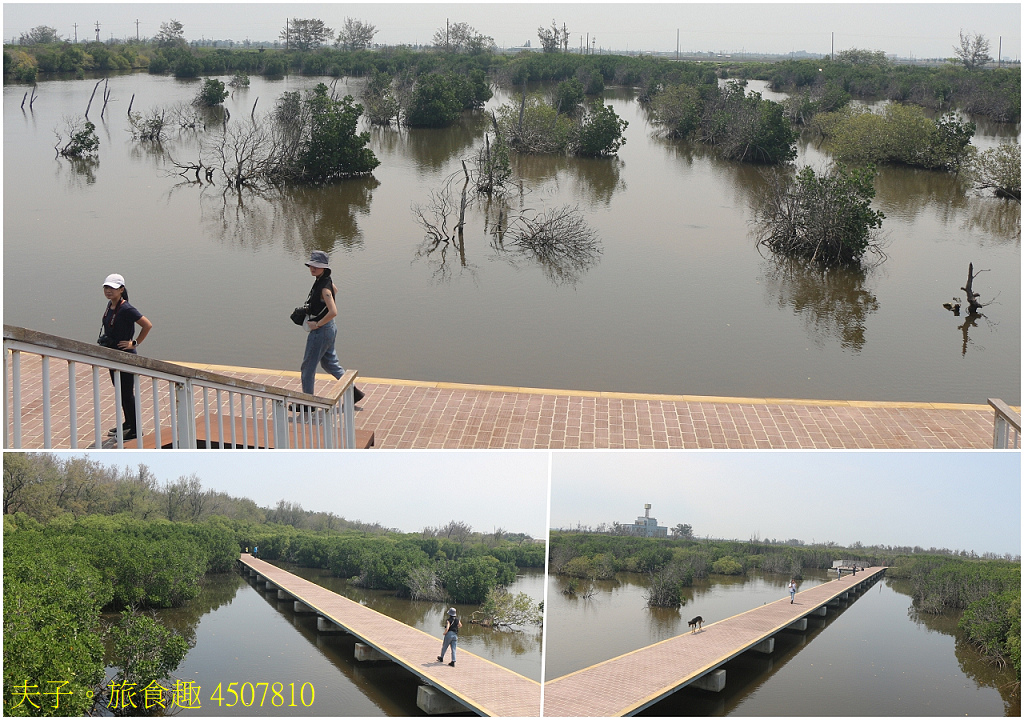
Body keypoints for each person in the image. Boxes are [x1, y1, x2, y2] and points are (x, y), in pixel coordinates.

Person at [299, 251, 365, 403]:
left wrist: (317, 323)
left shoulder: (323, 288)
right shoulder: (325, 281)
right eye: (311, 265)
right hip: (330, 329)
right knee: (329, 364)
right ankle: (354, 392)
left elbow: (333, 311)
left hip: (321, 331)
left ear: (324, 268)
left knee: (307, 368)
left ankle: (308, 403)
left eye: (317, 266)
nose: (313, 268)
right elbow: (336, 290)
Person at [100, 273, 152, 441]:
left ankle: (136, 430)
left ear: (121, 290)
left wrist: (134, 343)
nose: (108, 291)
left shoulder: (127, 308)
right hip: (112, 354)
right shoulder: (110, 305)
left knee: (127, 394)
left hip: (126, 357)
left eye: (112, 288)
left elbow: (147, 325)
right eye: (106, 287)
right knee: (121, 392)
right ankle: (128, 423)